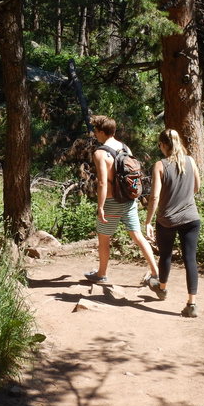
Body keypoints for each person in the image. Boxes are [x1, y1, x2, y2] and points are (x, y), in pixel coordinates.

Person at [84, 115, 159, 284]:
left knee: (104, 238)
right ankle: (156, 273)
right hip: (128, 200)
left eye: (96, 131)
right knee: (138, 236)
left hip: (111, 202)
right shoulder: (125, 148)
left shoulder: (100, 153)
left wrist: (100, 206)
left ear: (102, 132)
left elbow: (103, 182)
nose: (94, 134)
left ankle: (101, 274)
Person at [144, 128, 202, 318]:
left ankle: (162, 288)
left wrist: (148, 221)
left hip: (167, 219)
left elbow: (154, 197)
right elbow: (197, 187)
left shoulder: (160, 165)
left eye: (160, 145)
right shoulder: (190, 161)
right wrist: (183, 199)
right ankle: (191, 304)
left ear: (163, 145)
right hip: (191, 218)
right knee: (190, 259)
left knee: (166, 255)